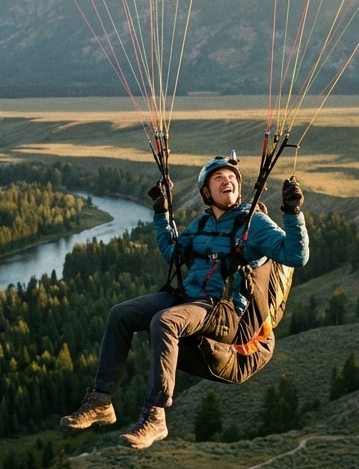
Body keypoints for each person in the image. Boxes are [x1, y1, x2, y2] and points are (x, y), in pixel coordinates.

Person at [60, 153, 309, 449]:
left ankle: (155, 415)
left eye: (231, 177)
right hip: (190, 299)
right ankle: (101, 401)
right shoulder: (201, 224)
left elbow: (296, 255)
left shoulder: (254, 223)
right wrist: (161, 213)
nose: (227, 180)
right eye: (219, 178)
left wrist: (293, 213)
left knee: (165, 321)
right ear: (206, 192)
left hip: (224, 311)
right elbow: (173, 252)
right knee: (121, 314)